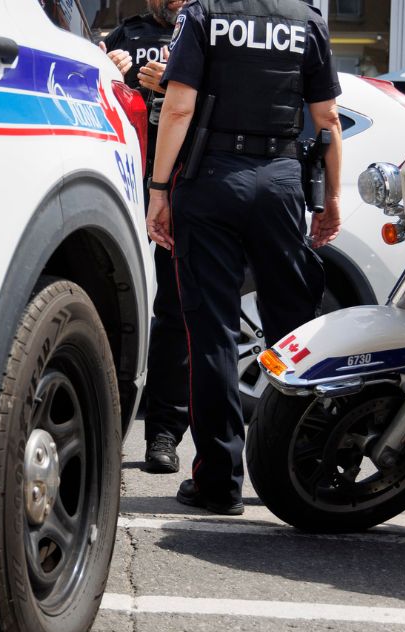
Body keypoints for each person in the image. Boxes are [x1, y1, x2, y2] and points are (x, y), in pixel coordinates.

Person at [146, 0, 343, 515]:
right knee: (296, 332)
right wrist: (332, 198)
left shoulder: (205, 13)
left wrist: (159, 188)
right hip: (280, 180)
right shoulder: (306, 20)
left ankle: (219, 482)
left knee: (210, 329)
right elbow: (327, 120)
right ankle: (304, 466)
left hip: (211, 178)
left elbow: (179, 107)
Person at [102, 0, 191, 475]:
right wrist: (110, 67)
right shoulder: (127, 34)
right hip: (124, 186)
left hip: (185, 188)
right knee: (111, 307)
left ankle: (164, 434)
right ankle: (102, 426)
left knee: (175, 313)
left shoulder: (209, 30)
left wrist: (175, 83)